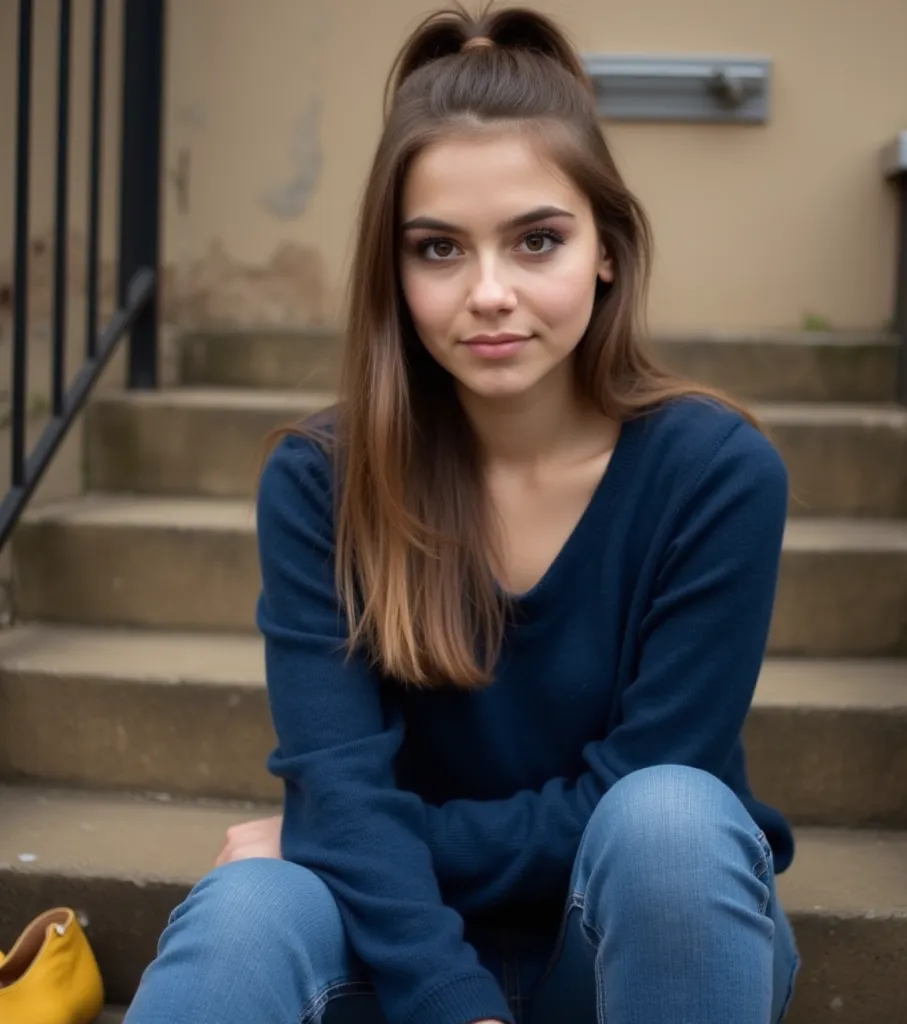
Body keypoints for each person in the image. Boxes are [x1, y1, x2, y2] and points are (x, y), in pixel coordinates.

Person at [124, 6, 799, 1023]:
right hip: (390, 947)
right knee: (246, 908)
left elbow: (643, 778)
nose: (489, 292)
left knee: (668, 819)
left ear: (606, 250)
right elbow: (341, 787)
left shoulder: (715, 474)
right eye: (438, 249)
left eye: (536, 240)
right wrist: (453, 998)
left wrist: (331, 834)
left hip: (636, 939)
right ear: (393, 272)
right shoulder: (322, 481)